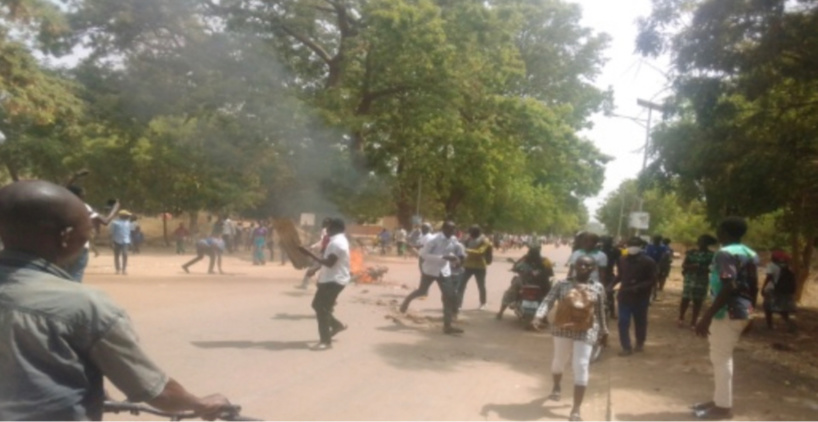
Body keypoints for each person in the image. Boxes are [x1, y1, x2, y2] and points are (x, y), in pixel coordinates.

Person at [0, 180, 230, 420]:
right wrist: (201, 403)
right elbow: (158, 393)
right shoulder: (85, 306)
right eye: (88, 232)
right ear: (66, 237)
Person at [692, 217, 758, 420]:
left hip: (727, 312)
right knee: (721, 356)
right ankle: (719, 400)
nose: (717, 233)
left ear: (725, 232)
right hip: (743, 310)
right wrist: (751, 313)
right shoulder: (750, 253)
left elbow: (729, 286)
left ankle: (723, 407)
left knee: (721, 358)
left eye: (719, 229)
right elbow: (753, 285)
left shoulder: (724, 253)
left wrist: (706, 316)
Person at [531, 256, 608, 422]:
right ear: (574, 266)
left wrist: (604, 332)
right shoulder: (561, 284)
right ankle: (557, 386)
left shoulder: (598, 288)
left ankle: (576, 409)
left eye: (587, 265)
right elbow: (548, 301)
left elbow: (601, 311)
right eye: (580, 264)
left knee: (580, 365)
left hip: (587, 330)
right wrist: (538, 316)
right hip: (562, 328)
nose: (583, 267)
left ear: (593, 268)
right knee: (559, 361)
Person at [399, 221, 464, 335]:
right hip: (430, 270)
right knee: (422, 291)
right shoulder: (434, 240)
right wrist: (443, 257)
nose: (452, 231)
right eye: (450, 229)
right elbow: (423, 254)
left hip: (444, 271)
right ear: (443, 229)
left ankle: (447, 326)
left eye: (454, 229)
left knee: (448, 296)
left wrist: (456, 261)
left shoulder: (453, 240)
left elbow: (453, 253)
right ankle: (406, 301)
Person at [298, 218, 351, 350]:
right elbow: (328, 261)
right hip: (329, 278)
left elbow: (329, 263)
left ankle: (326, 341)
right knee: (317, 305)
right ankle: (336, 325)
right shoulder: (335, 241)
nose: (326, 229)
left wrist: (309, 254)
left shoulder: (337, 243)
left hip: (334, 280)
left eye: (329, 227)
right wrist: (316, 269)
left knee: (322, 309)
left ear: (334, 228)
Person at [612, 236, 657, 356]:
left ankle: (640, 342)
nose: (632, 247)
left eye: (635, 245)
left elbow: (652, 280)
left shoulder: (648, 262)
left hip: (641, 298)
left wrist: (638, 287)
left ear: (641, 247)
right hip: (624, 296)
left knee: (640, 321)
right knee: (623, 322)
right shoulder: (622, 260)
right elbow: (620, 276)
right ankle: (626, 347)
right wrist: (610, 286)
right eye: (630, 244)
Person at [65, 185, 119, 282]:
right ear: (79, 196)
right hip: (80, 245)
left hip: (62, 246)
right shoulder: (84, 206)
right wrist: (115, 208)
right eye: (83, 194)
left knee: (62, 275)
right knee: (76, 274)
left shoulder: (61, 205)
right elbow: (105, 221)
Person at [496, 245, 553, 320]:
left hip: (524, 283)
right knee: (547, 297)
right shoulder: (546, 260)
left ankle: (500, 312)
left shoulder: (525, 259)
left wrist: (515, 268)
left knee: (510, 293)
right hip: (541, 284)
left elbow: (516, 267)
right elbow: (551, 273)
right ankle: (545, 317)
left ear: (529, 252)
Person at [679, 235, 717, 328]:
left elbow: (712, 268)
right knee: (685, 298)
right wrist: (691, 267)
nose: (700, 243)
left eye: (703, 241)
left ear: (707, 243)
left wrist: (701, 268)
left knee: (698, 301)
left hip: (702, 279)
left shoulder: (712, 255)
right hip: (689, 278)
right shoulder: (692, 253)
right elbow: (684, 265)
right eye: (699, 241)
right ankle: (681, 318)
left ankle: (693, 321)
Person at [457, 225, 493, 310]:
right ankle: (458, 304)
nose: (470, 234)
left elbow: (480, 252)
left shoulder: (485, 240)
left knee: (481, 285)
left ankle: (483, 303)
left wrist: (465, 250)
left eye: (472, 232)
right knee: (461, 285)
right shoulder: (468, 239)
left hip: (480, 266)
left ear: (477, 232)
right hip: (468, 265)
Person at [762, 250, 797, 332]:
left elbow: (768, 278)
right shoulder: (787, 267)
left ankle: (770, 326)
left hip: (771, 289)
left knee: (768, 308)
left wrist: (763, 288)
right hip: (782, 290)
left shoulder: (771, 265)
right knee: (783, 309)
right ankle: (790, 324)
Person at [600, 236, 620, 319]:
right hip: (600, 274)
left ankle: (612, 312)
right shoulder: (599, 250)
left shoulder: (615, 251)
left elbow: (619, 263)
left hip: (609, 274)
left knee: (610, 293)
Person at [645, 235, 670, 301]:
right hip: (648, 264)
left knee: (654, 279)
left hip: (656, 264)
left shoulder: (663, 247)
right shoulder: (649, 246)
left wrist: (661, 263)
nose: (656, 241)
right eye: (655, 239)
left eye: (657, 240)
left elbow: (665, 255)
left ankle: (653, 294)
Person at [110, 210, 133, 275]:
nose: (128, 216)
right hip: (117, 240)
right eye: (127, 215)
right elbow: (111, 233)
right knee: (116, 255)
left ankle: (124, 269)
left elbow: (129, 233)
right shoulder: (115, 223)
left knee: (125, 254)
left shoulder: (128, 223)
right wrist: (111, 241)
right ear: (122, 216)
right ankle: (117, 269)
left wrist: (131, 242)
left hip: (126, 241)